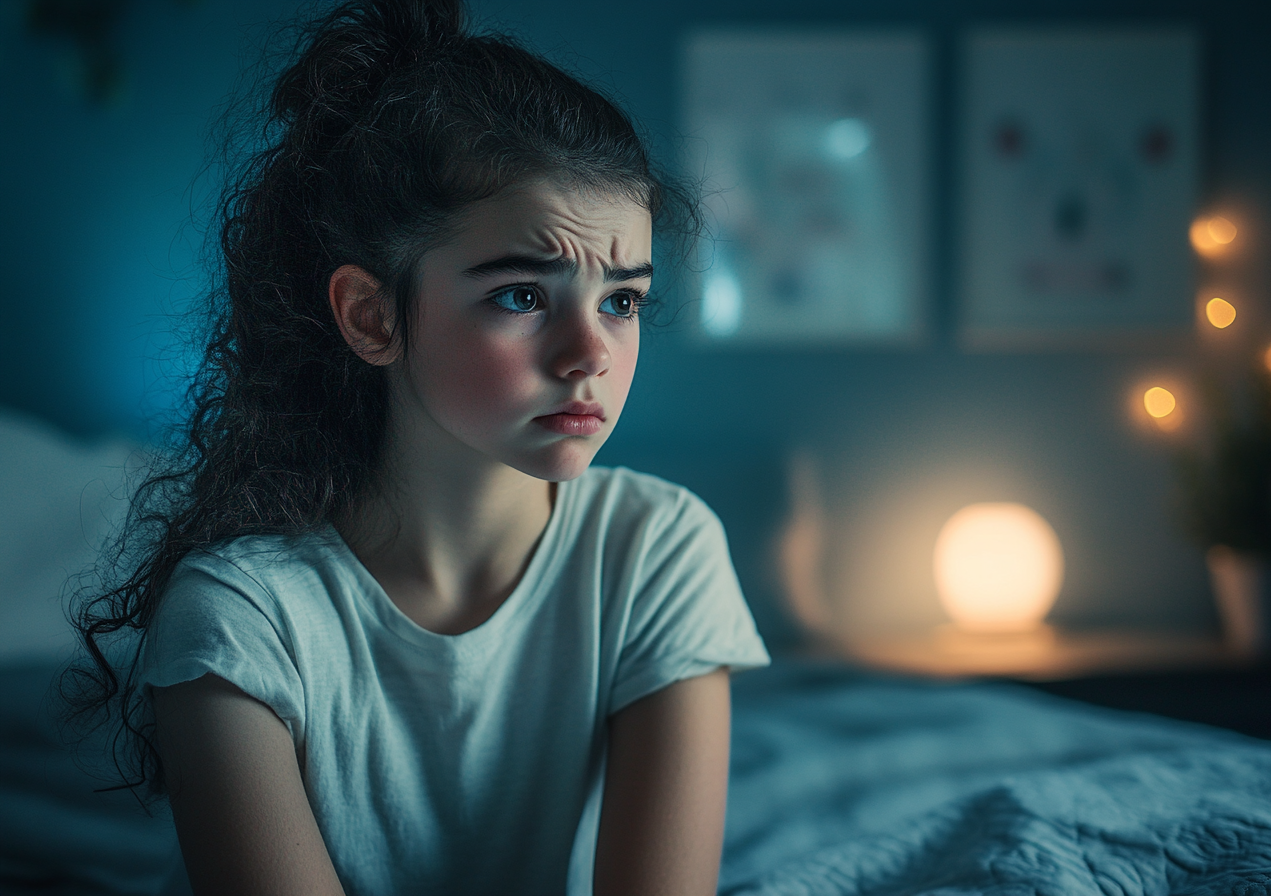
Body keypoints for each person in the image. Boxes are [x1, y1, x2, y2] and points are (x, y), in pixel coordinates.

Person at [64, 1, 770, 893]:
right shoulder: (243, 622)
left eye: (621, 301)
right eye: (521, 296)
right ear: (372, 315)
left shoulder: (659, 549)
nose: (591, 353)